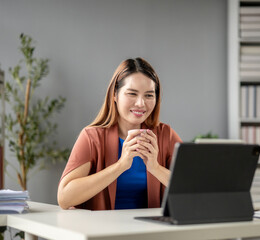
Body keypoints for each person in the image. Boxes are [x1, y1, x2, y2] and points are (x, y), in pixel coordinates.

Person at [57, 58, 182, 210]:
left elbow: (196, 190)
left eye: (149, 95)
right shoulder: (92, 137)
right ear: (114, 95)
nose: (141, 103)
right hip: (104, 231)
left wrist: (155, 168)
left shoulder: (165, 136)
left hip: (152, 231)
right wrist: (121, 165)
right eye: (132, 94)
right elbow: (64, 198)